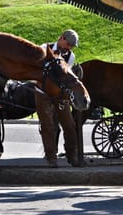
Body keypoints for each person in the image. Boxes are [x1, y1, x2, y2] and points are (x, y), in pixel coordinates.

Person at [35, 29, 80, 167]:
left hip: (60, 94)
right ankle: (51, 158)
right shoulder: (43, 48)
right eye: (69, 44)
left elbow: (65, 76)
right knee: (47, 126)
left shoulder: (70, 56)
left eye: (72, 46)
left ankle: (72, 156)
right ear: (61, 38)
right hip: (42, 93)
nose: (70, 48)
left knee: (69, 125)